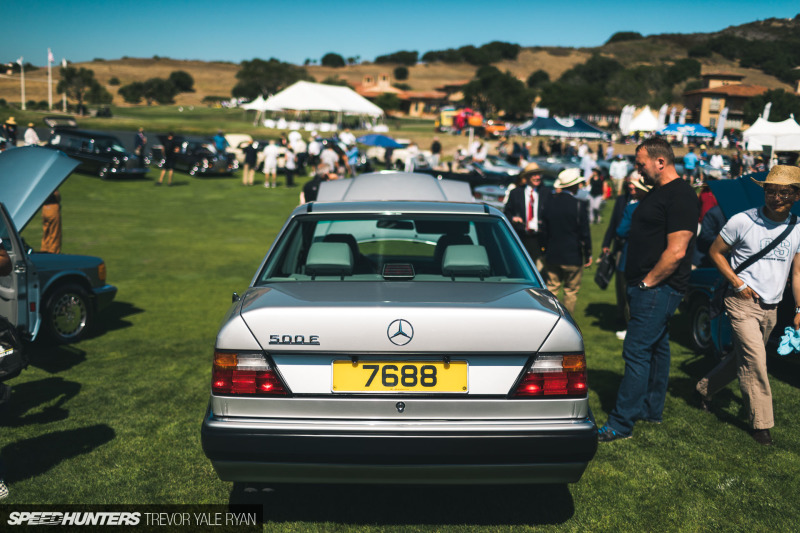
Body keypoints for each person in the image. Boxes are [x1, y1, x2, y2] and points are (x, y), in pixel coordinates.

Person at [598, 137, 699, 442]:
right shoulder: (660, 191)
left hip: (657, 287)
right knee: (657, 348)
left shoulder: (680, 195)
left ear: (660, 161)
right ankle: (651, 409)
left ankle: (621, 422)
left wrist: (647, 282)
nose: (637, 170)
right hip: (648, 285)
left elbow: (678, 250)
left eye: (640, 164)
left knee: (636, 350)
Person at [695, 166, 800, 446]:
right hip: (741, 302)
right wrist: (738, 283)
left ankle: (704, 388)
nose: (776, 197)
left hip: (772, 308)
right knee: (756, 362)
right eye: (770, 190)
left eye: (784, 191)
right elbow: (715, 252)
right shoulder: (743, 220)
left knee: (741, 359)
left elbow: (798, 274)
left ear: (796, 195)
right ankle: (761, 425)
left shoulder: (798, 227)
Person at [540, 168, 592, 314]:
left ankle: (551, 318)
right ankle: (567, 322)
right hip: (572, 255)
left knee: (552, 289)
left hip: (553, 253)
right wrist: (588, 253)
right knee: (570, 292)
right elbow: (585, 233)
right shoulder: (579, 205)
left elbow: (544, 230)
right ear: (574, 186)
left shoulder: (550, 203)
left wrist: (544, 248)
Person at [504, 162, 552, 271]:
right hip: (521, 237)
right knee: (521, 268)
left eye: (538, 174)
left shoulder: (546, 193)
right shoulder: (516, 193)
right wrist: (513, 219)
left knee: (540, 270)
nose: (537, 177)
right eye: (533, 174)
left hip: (540, 239)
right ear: (526, 177)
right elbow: (507, 212)